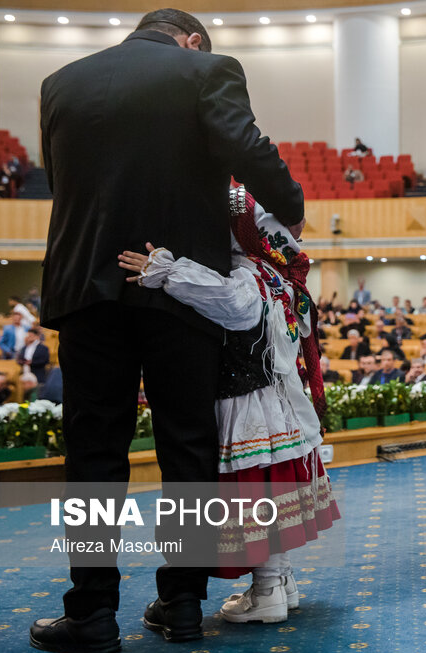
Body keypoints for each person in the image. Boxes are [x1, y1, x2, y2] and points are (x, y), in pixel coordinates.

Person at [31, 8, 305, 653]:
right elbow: (247, 147)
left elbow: (69, 182)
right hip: (179, 287)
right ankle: (181, 601)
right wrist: (287, 209)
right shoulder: (207, 69)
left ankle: (92, 612)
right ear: (191, 41)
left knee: (94, 459)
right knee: (187, 447)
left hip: (88, 287)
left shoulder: (59, 83)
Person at [117, 186, 338, 625]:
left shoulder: (249, 275)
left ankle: (268, 590)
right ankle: (283, 581)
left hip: (250, 406)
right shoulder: (284, 279)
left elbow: (228, 302)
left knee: (257, 500)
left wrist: (164, 269)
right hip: (280, 406)